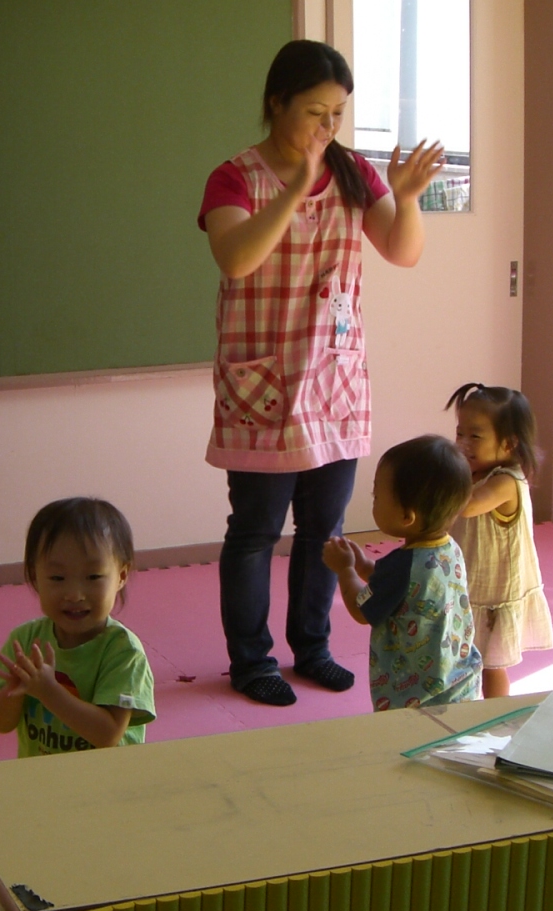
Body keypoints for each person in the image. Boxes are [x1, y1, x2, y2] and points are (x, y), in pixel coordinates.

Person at [198, 39, 445, 706]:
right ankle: (252, 661)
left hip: (335, 381)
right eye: (315, 112)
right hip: (263, 385)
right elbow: (236, 258)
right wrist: (295, 188)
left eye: (338, 113)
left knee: (325, 532)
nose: (328, 127)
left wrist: (407, 197)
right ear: (276, 103)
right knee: (255, 533)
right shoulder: (234, 177)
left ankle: (312, 647)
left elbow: (402, 251)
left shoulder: (353, 171)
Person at [0, 498, 155, 757]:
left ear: (121, 576)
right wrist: (13, 691)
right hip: (42, 775)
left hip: (106, 778)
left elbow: (108, 734)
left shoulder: (123, 651)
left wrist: (49, 691)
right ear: (35, 577)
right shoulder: (26, 639)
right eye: (57, 578)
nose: (74, 594)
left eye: (93, 577)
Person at [322, 436, 482, 710]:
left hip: (417, 693)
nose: (373, 501)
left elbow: (362, 610)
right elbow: (403, 590)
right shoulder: (448, 549)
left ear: (408, 517)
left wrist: (345, 570)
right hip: (458, 681)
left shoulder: (403, 566)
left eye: (377, 496)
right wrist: (363, 566)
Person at [445, 383, 553, 698]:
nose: (463, 444)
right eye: (460, 433)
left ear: (509, 444)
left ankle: (497, 711)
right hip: (467, 584)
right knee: (460, 656)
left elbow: (468, 507)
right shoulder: (474, 474)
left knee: (491, 664)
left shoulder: (507, 481)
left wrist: (436, 479)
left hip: (493, 593)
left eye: (475, 436)